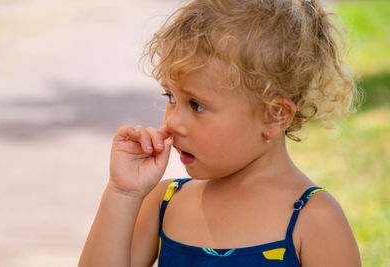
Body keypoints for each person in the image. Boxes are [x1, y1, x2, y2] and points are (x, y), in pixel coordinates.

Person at [79, 0, 361, 266]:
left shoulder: (314, 219)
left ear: (273, 116)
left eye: (197, 105)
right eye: (170, 97)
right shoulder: (165, 203)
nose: (173, 122)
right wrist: (123, 193)